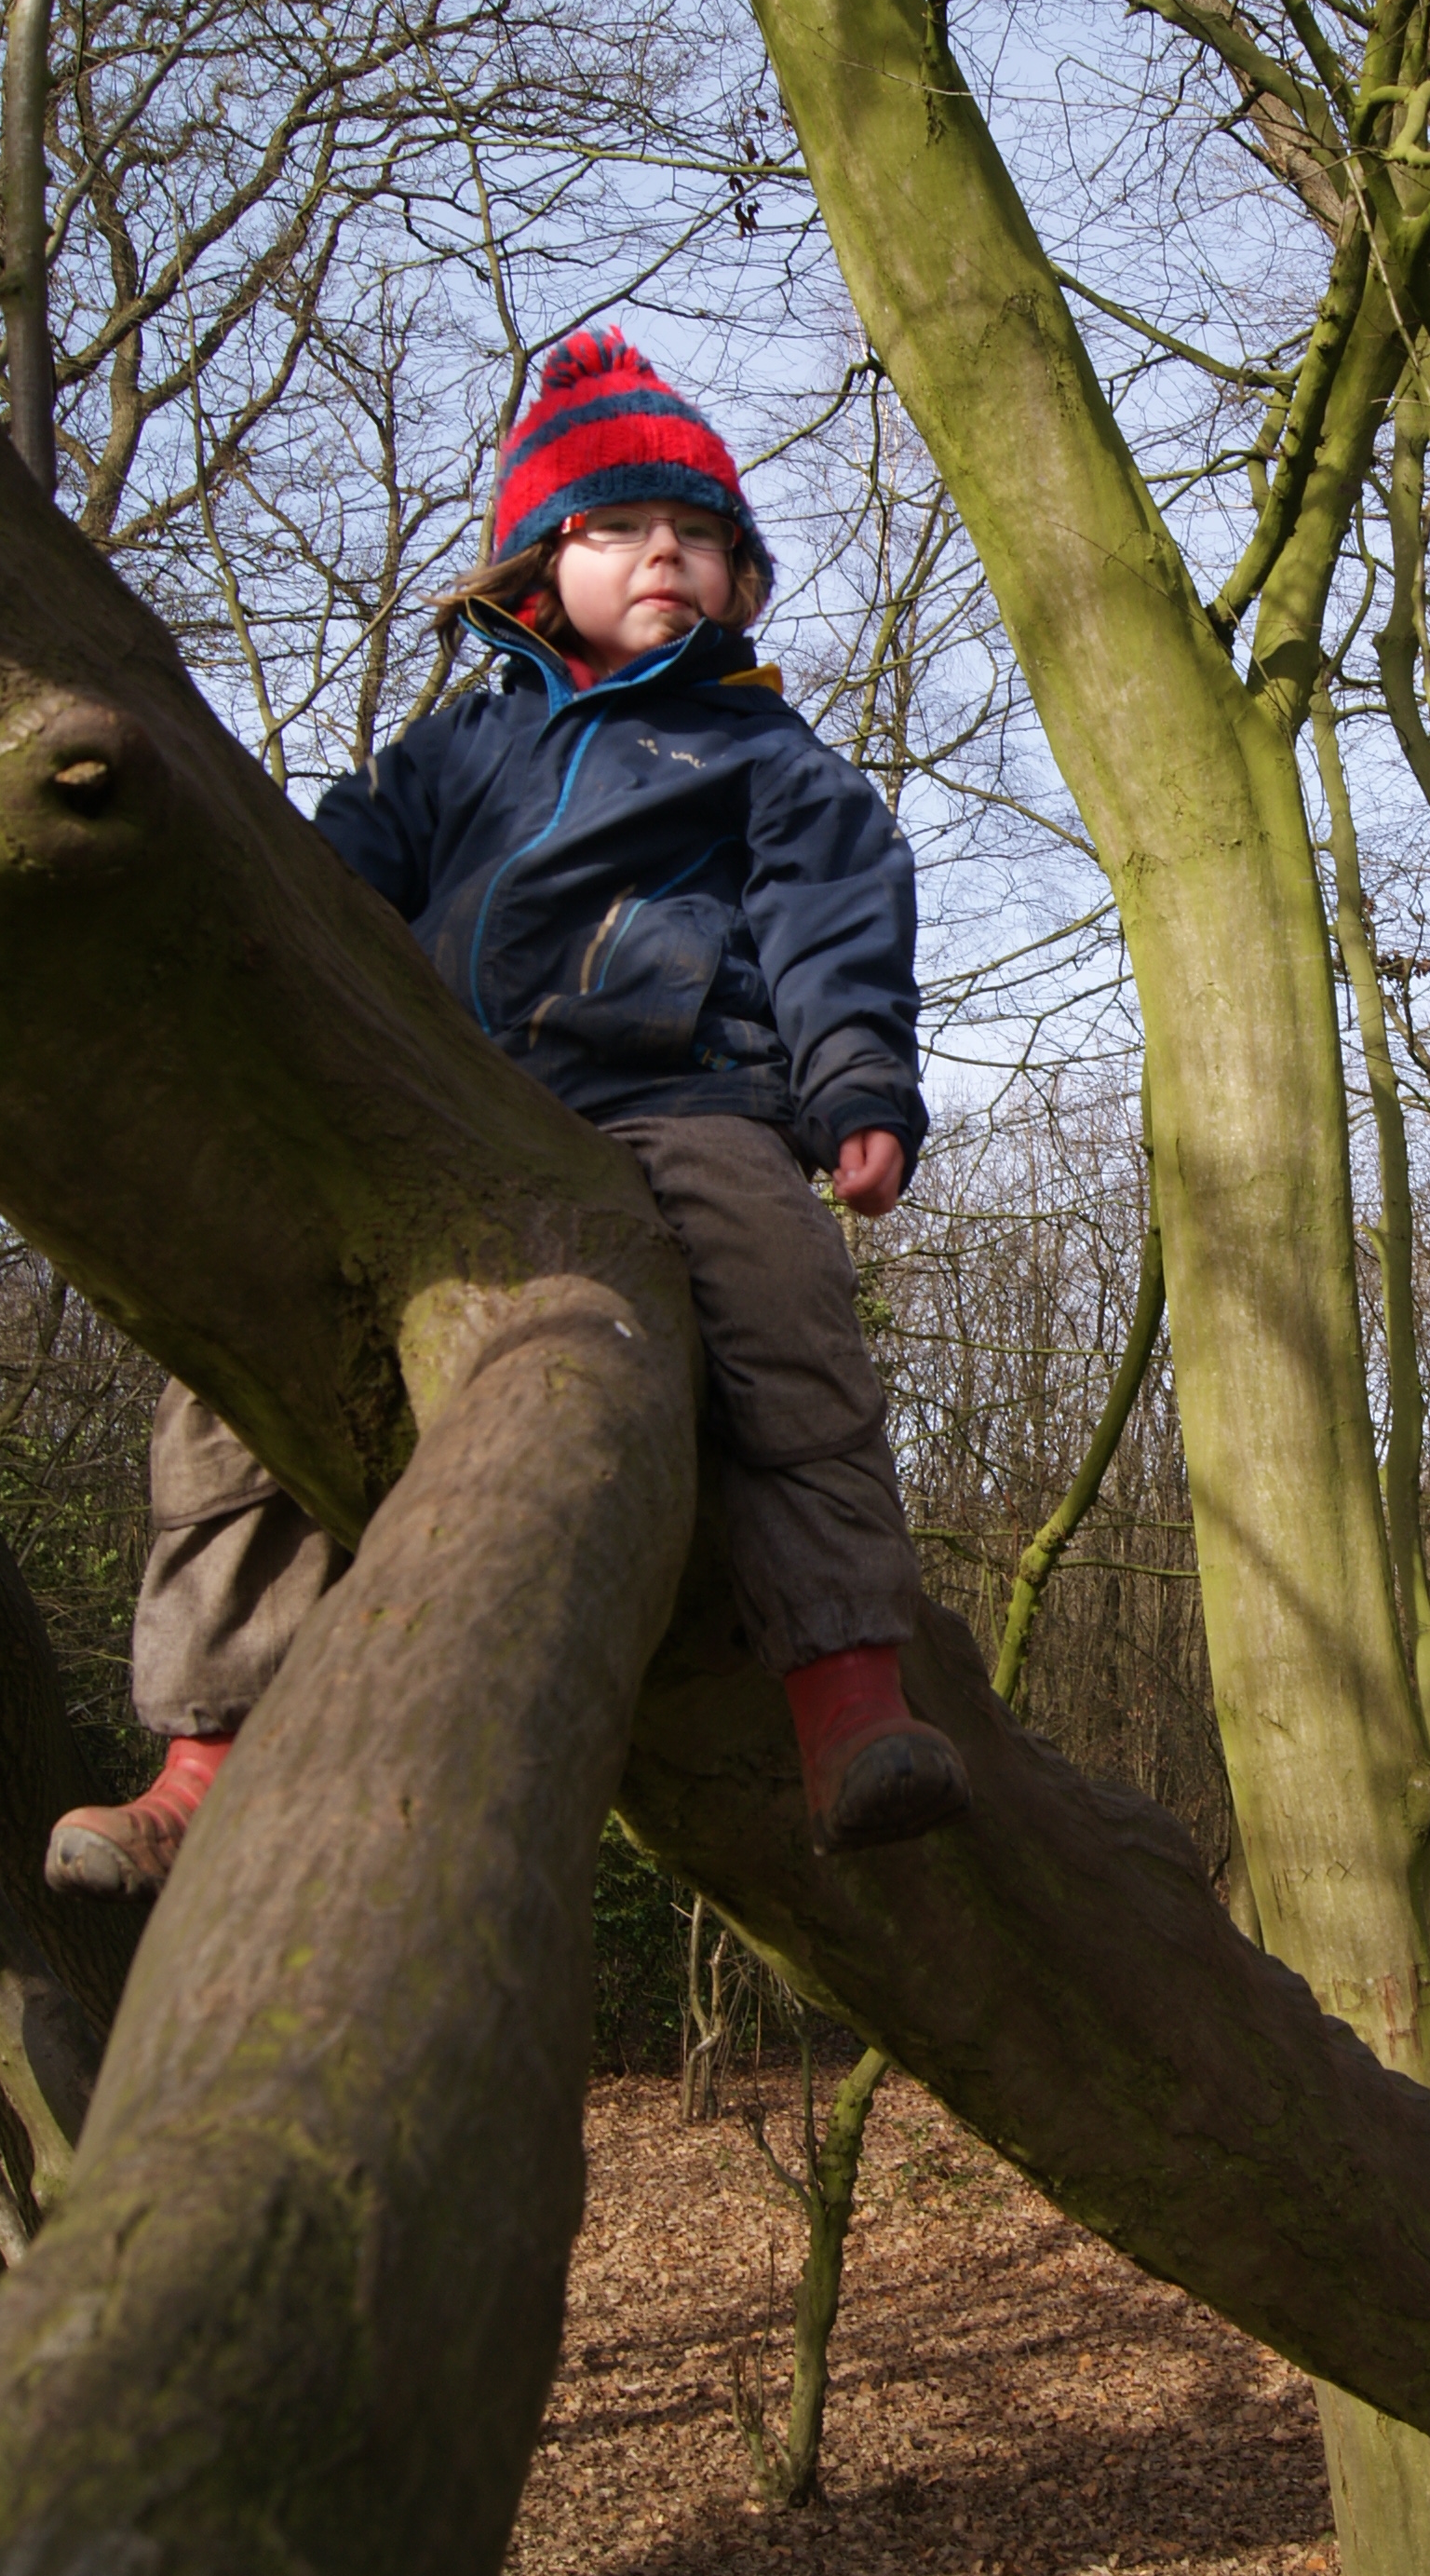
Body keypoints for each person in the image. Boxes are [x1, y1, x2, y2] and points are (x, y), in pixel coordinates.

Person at [47, 326, 967, 1897]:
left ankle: (848, 1694)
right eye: (622, 528)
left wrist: (858, 1084)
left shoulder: (764, 754)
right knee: (236, 1360)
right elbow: (322, 887)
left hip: (680, 1102)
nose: (666, 554)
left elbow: (833, 927)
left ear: (737, 579)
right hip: (438, 1107)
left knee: (783, 1302)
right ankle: (206, 1756)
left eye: (698, 535)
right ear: (543, 569)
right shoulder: (454, 749)